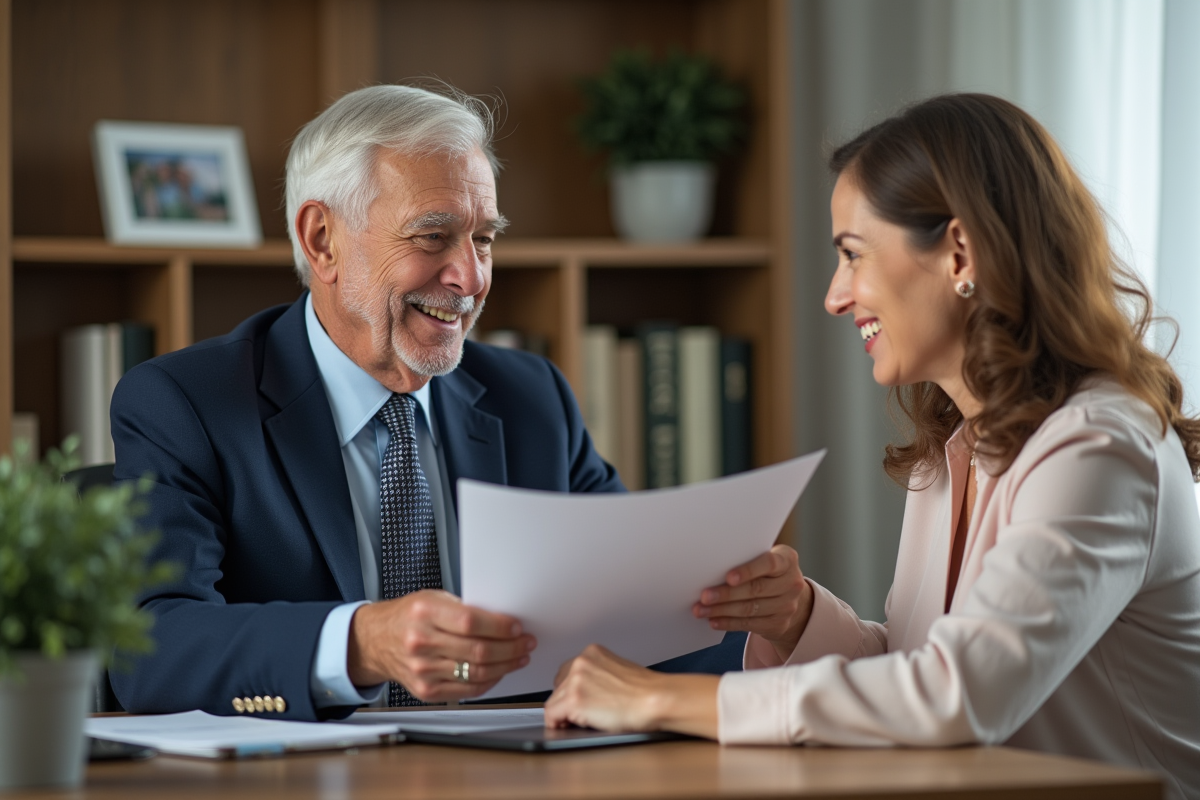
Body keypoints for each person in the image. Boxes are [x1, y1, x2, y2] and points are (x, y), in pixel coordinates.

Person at [545, 93, 1200, 800]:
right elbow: (914, 672)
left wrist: (657, 698)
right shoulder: (954, 446)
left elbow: (956, 695)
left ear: (959, 253)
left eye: (853, 255)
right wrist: (798, 619)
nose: (835, 296)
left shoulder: (1099, 445)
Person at [109, 84, 742, 721]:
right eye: (433, 236)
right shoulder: (185, 404)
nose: (472, 277)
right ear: (322, 240)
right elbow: (151, 648)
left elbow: (635, 619)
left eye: (484, 239)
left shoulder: (532, 399)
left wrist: (769, 630)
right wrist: (362, 643)